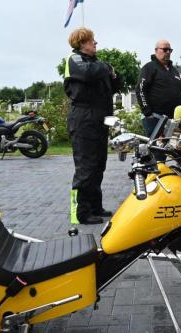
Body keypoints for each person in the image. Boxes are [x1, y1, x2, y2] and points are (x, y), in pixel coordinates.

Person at [64, 27, 122, 225]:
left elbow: (116, 84)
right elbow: (88, 74)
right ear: (82, 44)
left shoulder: (98, 63)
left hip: (99, 120)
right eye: (91, 41)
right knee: (85, 167)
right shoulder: (74, 60)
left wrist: (112, 73)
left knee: (98, 165)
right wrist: (108, 69)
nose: (95, 43)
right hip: (83, 120)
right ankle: (79, 213)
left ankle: (95, 206)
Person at [135, 40, 181, 142]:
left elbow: (179, 93)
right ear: (156, 50)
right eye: (165, 49)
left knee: (170, 150)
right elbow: (140, 89)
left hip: (171, 120)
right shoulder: (149, 68)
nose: (168, 52)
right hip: (154, 118)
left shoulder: (174, 71)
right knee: (156, 150)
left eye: (170, 50)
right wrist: (147, 113)